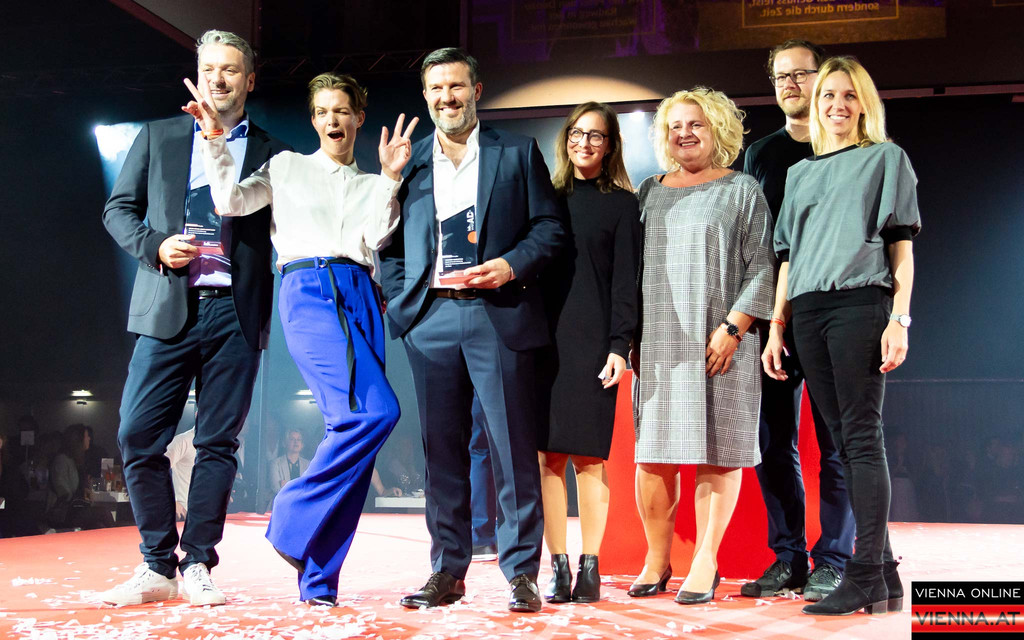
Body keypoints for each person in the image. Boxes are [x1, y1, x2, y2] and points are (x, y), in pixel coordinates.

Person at [185, 69, 416, 606]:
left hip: (363, 293)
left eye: (342, 111)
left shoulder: (373, 182)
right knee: (376, 413)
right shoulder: (286, 166)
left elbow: (377, 236)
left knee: (354, 433)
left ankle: (318, 579)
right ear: (313, 120)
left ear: (359, 118)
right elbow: (230, 201)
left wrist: (388, 177)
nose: (332, 120)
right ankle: (290, 515)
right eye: (322, 112)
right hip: (309, 288)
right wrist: (215, 141)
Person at [99, 29, 290, 607]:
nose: (218, 79)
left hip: (236, 310)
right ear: (198, 74)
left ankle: (199, 563)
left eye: (230, 69)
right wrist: (155, 245)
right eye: (210, 68)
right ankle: (157, 564)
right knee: (136, 434)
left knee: (217, 443)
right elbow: (118, 210)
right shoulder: (159, 136)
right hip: (167, 304)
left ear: (249, 80)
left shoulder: (275, 153)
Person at [380, 47, 568, 613]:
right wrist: (404, 304)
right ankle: (447, 570)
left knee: (512, 450)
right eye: (436, 88)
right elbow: (387, 242)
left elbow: (550, 228)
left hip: (497, 314)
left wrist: (511, 265)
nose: (447, 97)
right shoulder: (408, 163)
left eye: (456, 86)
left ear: (477, 90)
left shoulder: (516, 151)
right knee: (441, 454)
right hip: (431, 319)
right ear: (425, 96)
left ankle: (521, 573)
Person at [763, 56, 920, 616]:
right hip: (806, 313)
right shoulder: (799, 173)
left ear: (863, 104)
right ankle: (885, 575)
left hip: (859, 305)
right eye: (828, 95)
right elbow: (788, 257)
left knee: (860, 440)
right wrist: (776, 325)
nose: (837, 105)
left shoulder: (885, 158)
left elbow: (901, 247)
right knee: (847, 444)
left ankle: (864, 574)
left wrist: (899, 318)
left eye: (849, 95)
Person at [629, 87, 775, 605]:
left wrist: (734, 328)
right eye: (675, 126)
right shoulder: (647, 192)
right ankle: (656, 559)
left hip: (721, 341)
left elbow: (764, 265)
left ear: (718, 130)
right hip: (658, 341)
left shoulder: (742, 190)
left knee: (719, 449)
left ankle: (706, 560)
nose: (685, 134)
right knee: (653, 456)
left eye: (696, 124)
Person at [740, 39, 855, 602]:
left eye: (800, 74)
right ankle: (788, 556)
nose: (790, 84)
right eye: (780, 76)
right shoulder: (760, 153)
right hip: (771, 321)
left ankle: (834, 559)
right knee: (772, 442)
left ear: (823, 77)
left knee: (838, 444)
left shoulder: (855, 151)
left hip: (835, 314)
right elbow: (755, 243)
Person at [537, 102, 640, 604]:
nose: (585, 142)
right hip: (543, 343)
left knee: (590, 459)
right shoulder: (544, 198)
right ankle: (557, 568)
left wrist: (621, 345)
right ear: (566, 139)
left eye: (596, 135)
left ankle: (590, 567)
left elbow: (626, 283)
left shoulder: (622, 205)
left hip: (595, 343)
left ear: (610, 144)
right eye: (577, 133)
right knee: (547, 458)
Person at [267, 429, 310, 500]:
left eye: (299, 439)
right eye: (292, 439)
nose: (296, 442)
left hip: (303, 502)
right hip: (282, 502)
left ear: (302, 445)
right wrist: (299, 488)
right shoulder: (275, 464)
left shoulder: (308, 464)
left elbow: (309, 488)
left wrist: (286, 485)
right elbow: (276, 488)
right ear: (284, 443)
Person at [165, 427, 196, 521]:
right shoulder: (183, 441)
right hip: (185, 514)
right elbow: (157, 471)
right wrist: (171, 500)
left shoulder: (214, 445)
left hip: (207, 513)